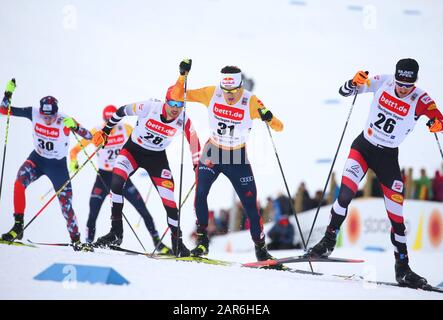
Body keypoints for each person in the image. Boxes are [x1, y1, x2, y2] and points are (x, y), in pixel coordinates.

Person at [306, 59, 443, 288]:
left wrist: (437, 123)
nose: (402, 88)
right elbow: (344, 91)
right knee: (345, 194)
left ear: (414, 83)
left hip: (387, 158)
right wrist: (353, 82)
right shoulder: (383, 82)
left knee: (397, 217)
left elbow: (436, 116)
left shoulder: (420, 99)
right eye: (399, 82)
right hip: (363, 147)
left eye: (407, 85)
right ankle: (328, 242)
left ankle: (403, 267)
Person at [171, 59, 284, 261]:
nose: (229, 96)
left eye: (233, 92)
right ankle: (202, 242)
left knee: (250, 205)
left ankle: (260, 248)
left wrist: (269, 117)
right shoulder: (211, 93)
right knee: (201, 194)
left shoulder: (250, 100)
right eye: (225, 91)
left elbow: (279, 126)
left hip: (237, 157)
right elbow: (178, 95)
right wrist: (183, 75)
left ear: (241, 86)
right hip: (213, 152)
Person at [91, 87, 201, 257]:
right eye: (172, 103)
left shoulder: (183, 119)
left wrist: (196, 164)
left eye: (180, 104)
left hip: (156, 159)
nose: (175, 108)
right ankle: (115, 233)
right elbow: (121, 111)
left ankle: (177, 243)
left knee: (170, 203)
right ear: (166, 101)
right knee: (117, 182)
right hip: (133, 151)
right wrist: (106, 131)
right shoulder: (149, 107)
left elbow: (193, 140)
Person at [0, 81, 93, 251]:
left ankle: (76, 239)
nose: (48, 120)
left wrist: (76, 126)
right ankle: (18, 227)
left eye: (50, 117)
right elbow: (4, 110)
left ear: (56, 113)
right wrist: (7, 94)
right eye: (45, 116)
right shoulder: (33, 113)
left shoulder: (64, 119)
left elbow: (89, 137)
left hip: (57, 166)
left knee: (66, 204)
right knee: (19, 183)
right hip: (37, 160)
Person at [69, 105, 171, 253]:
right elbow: (74, 151)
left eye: (112, 121)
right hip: (103, 177)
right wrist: (73, 161)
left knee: (143, 209)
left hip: (121, 176)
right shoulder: (96, 131)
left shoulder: (126, 128)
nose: (111, 125)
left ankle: (158, 243)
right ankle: (88, 243)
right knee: (93, 213)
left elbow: (143, 141)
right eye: (106, 121)